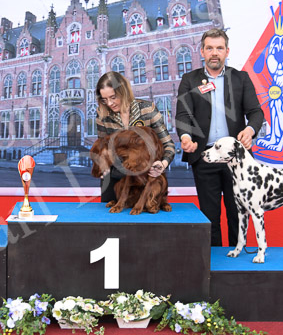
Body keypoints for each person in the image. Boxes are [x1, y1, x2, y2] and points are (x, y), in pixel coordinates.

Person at [175, 28, 264, 246]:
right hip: (205, 157)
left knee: (238, 213)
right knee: (209, 216)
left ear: (227, 51)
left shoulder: (241, 78)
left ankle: (237, 257)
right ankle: (213, 261)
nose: (214, 53)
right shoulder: (189, 80)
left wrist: (250, 130)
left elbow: (255, 112)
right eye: (210, 48)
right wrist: (185, 137)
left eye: (219, 48)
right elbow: (183, 114)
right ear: (202, 52)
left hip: (237, 160)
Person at [95, 71, 176, 203]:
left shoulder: (148, 110)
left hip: (143, 180)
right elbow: (102, 145)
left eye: (113, 97)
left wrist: (162, 164)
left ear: (124, 92)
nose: (109, 103)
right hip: (114, 179)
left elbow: (168, 145)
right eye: (104, 99)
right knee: (108, 215)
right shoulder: (102, 114)